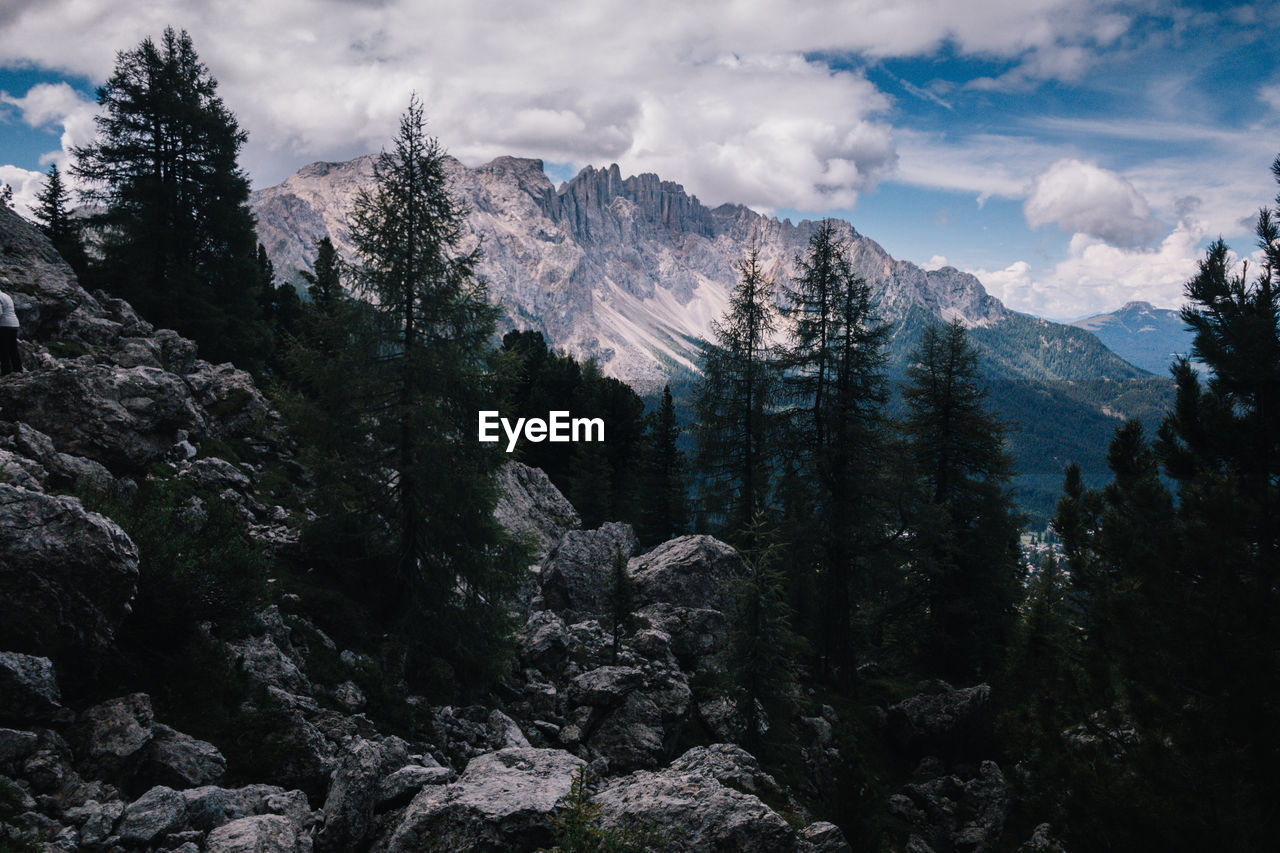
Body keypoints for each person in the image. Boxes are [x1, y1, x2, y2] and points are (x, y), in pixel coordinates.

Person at [0, 288, 22, 375]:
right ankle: (18, 368)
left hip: (4, 325)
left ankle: (6, 371)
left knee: (3, 349)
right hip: (14, 324)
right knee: (13, 348)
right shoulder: (5, 295)